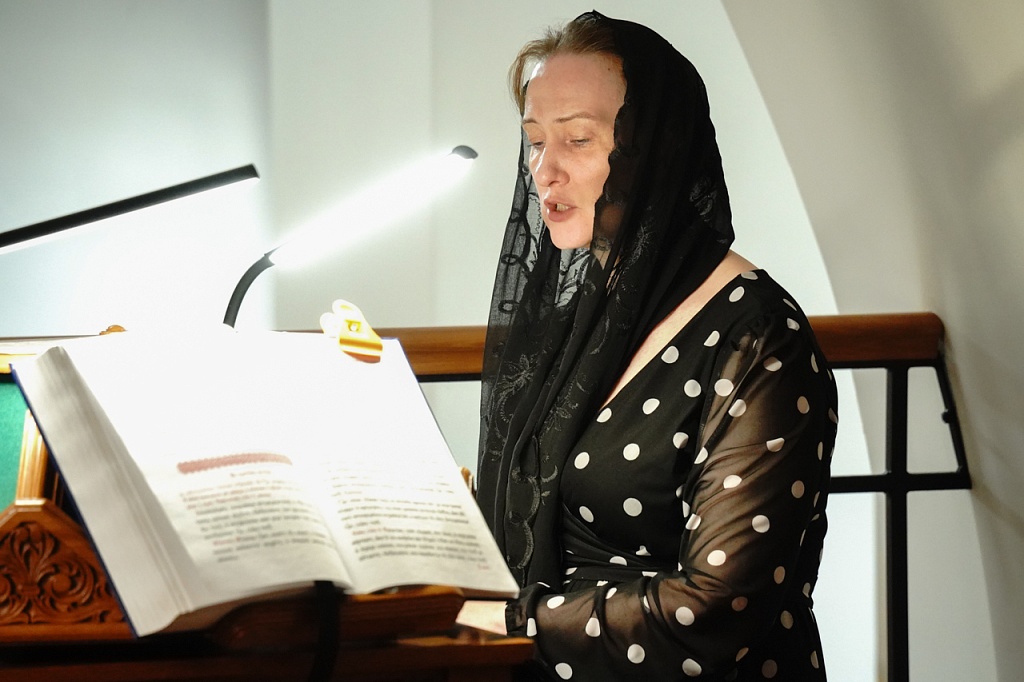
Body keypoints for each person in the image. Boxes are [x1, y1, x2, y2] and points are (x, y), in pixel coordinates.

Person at [458, 11, 839, 681]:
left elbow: (716, 607)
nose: (544, 170)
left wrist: (514, 622)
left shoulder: (758, 337)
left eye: (578, 139)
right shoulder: (576, 324)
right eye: (534, 140)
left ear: (654, 150)